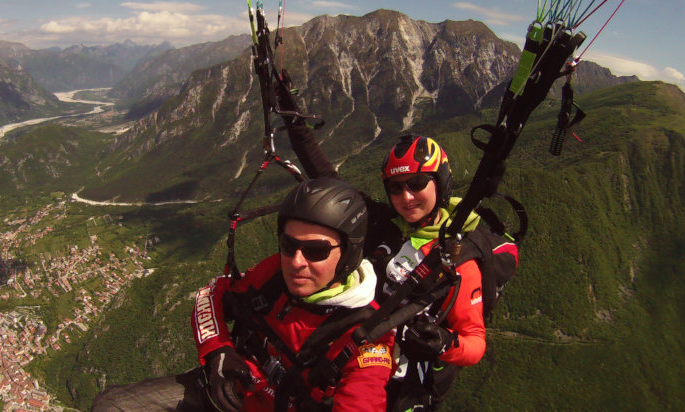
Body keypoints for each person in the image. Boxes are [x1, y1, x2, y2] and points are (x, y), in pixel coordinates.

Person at [92, 177, 394, 412]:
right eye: (289, 245)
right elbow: (210, 294)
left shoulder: (367, 335)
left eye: (316, 251)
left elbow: (362, 397)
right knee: (110, 405)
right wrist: (218, 352)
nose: (297, 261)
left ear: (348, 254)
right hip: (223, 392)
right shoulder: (274, 274)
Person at [281, 98, 485, 411]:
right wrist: (294, 117)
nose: (406, 197)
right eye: (395, 187)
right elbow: (322, 171)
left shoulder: (456, 256)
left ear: (440, 181)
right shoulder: (381, 222)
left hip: (401, 387)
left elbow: (475, 341)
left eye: (417, 184)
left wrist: (444, 344)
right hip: (350, 360)